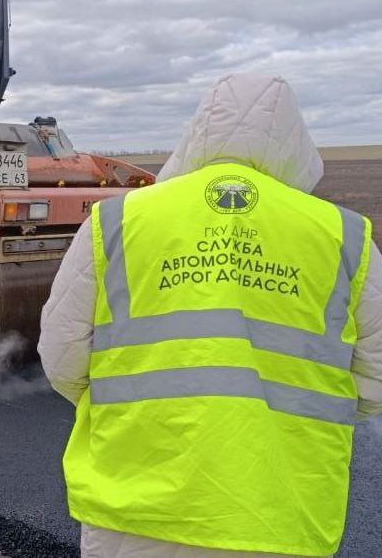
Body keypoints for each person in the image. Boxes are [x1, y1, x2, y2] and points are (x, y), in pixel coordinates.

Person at [39, 74, 382, 557]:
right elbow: (374, 380)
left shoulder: (118, 222)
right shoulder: (344, 237)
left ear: (197, 132)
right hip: (281, 516)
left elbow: (60, 359)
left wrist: (130, 403)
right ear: (297, 143)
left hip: (135, 515)